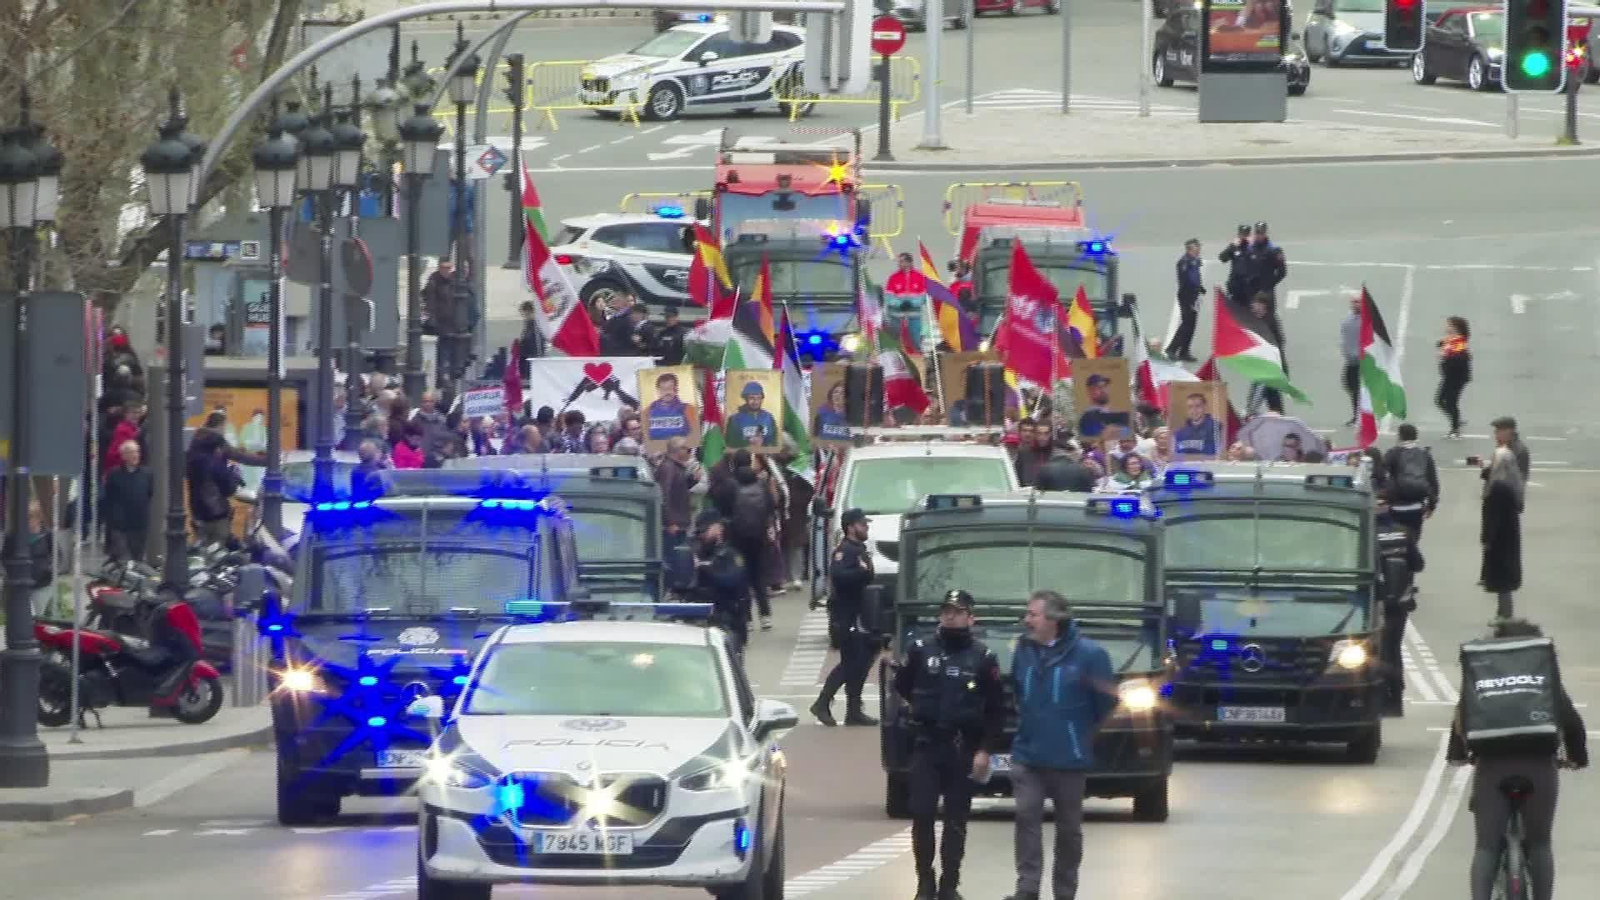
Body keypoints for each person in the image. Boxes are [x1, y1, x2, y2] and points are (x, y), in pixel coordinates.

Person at [1447, 618, 1587, 900]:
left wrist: (1457, 755)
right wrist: (1577, 757)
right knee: (1540, 844)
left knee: (1485, 846)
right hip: (1539, 765)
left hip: (1491, 766)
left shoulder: (1484, 678)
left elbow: (1463, 717)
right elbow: (1571, 722)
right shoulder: (1543, 682)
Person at [892, 589, 1005, 900]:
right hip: (927, 745)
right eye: (945, 610)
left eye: (956, 611)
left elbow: (996, 709)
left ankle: (949, 885)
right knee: (923, 814)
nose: (949, 615)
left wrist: (985, 750)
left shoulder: (983, 658)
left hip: (962, 748)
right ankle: (924, 882)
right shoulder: (920, 649)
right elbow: (901, 685)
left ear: (971, 617)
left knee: (956, 821)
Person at [1004, 590, 1116, 900]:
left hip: (1069, 758)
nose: (1026, 620)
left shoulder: (1090, 655)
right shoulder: (1023, 651)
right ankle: (1026, 888)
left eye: (1033, 614)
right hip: (1028, 754)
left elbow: (1105, 705)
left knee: (1069, 831)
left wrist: (1079, 735)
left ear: (1053, 620)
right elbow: (1017, 691)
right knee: (1026, 815)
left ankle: (1065, 892)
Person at [812, 508, 881, 729]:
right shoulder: (845, 550)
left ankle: (853, 710)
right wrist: (862, 572)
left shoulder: (858, 549)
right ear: (851, 527)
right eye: (862, 524)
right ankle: (822, 703)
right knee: (850, 664)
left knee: (861, 662)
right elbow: (840, 576)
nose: (866, 527)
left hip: (859, 614)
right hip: (846, 616)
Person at [692, 510, 752, 658]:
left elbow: (731, 579)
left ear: (719, 529)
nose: (702, 535)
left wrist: (704, 568)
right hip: (703, 618)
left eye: (705, 530)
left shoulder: (731, 555)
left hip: (729, 619)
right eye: (700, 532)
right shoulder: (697, 552)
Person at [1480, 446, 1523, 621]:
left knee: (1502, 580)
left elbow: (1493, 516)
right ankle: (1503, 613)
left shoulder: (1498, 487)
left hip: (1499, 539)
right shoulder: (1512, 484)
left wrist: (1487, 538)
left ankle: (1505, 615)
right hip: (1510, 537)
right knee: (1505, 578)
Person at [1382, 423, 1439, 553]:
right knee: (1413, 542)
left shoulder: (1392, 453)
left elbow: (1383, 477)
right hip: (1417, 507)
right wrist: (1432, 505)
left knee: (1396, 542)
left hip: (1396, 507)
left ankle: (1397, 567)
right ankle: (1410, 566)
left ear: (1400, 436)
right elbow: (1433, 481)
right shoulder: (1424, 454)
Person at [102, 440, 154, 562]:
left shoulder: (147, 474)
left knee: (137, 559)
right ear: (124, 456)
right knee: (123, 559)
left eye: (137, 451)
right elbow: (109, 497)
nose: (136, 455)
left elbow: (150, 493)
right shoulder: (114, 474)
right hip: (120, 525)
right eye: (131, 452)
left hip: (139, 523)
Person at [1166, 238, 1203, 362]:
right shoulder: (1184, 262)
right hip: (1187, 296)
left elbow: (1196, 276)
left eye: (1198, 247)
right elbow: (1188, 280)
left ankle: (1184, 351)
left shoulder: (1195, 261)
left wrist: (1200, 287)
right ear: (1189, 249)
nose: (1198, 250)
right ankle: (1172, 348)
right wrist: (1196, 287)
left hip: (1194, 296)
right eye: (1195, 248)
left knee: (1192, 325)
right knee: (1186, 324)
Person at [1436, 316, 1472, 439]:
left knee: (1451, 402)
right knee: (1440, 401)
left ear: (1456, 328)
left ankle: (1455, 429)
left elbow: (1457, 358)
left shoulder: (1459, 342)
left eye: (1449, 325)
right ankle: (1456, 420)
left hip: (1456, 377)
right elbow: (1444, 345)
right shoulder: (1453, 340)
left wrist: (1444, 355)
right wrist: (1443, 346)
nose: (1446, 327)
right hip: (1450, 376)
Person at [1075, 374, 1130, 439]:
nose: (1103, 390)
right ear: (1089, 391)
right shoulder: (1088, 418)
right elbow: (1101, 436)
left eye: (1105, 386)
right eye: (1099, 387)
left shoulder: (1116, 413)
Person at [726, 380, 778, 449]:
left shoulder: (769, 418)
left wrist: (763, 443)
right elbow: (729, 443)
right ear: (745, 398)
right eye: (752, 398)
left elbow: (774, 442)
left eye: (758, 398)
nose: (755, 402)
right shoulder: (734, 419)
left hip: (765, 457)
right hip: (743, 457)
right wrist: (748, 443)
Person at [645, 371, 694, 441]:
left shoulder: (688, 409)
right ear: (658, 390)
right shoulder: (648, 411)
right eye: (663, 389)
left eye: (669, 388)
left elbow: (694, 436)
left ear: (676, 389)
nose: (666, 392)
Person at [1171, 390, 1219, 457]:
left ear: (1205, 407)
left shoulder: (1217, 428)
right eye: (1190, 407)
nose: (1194, 410)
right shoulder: (1179, 433)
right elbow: (1175, 457)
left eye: (1197, 406)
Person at [1340, 294, 1362, 426]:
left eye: (1358, 302)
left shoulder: (1367, 320)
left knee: (1359, 389)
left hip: (1363, 361)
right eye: (1354, 302)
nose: (1356, 305)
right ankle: (1357, 415)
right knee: (1350, 386)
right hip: (1351, 359)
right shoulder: (1348, 318)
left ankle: (1359, 416)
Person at [1218, 224, 1253, 304]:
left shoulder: (1254, 247)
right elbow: (1222, 258)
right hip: (1235, 285)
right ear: (1239, 234)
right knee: (1234, 312)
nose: (1244, 236)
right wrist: (1232, 246)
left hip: (1249, 286)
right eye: (1242, 234)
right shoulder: (1234, 247)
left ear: (1249, 235)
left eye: (1246, 234)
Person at [1490, 415, 1531, 483]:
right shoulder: (1505, 446)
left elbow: (1517, 480)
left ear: (1508, 431)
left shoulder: (1517, 450)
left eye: (1498, 430)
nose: (1495, 433)